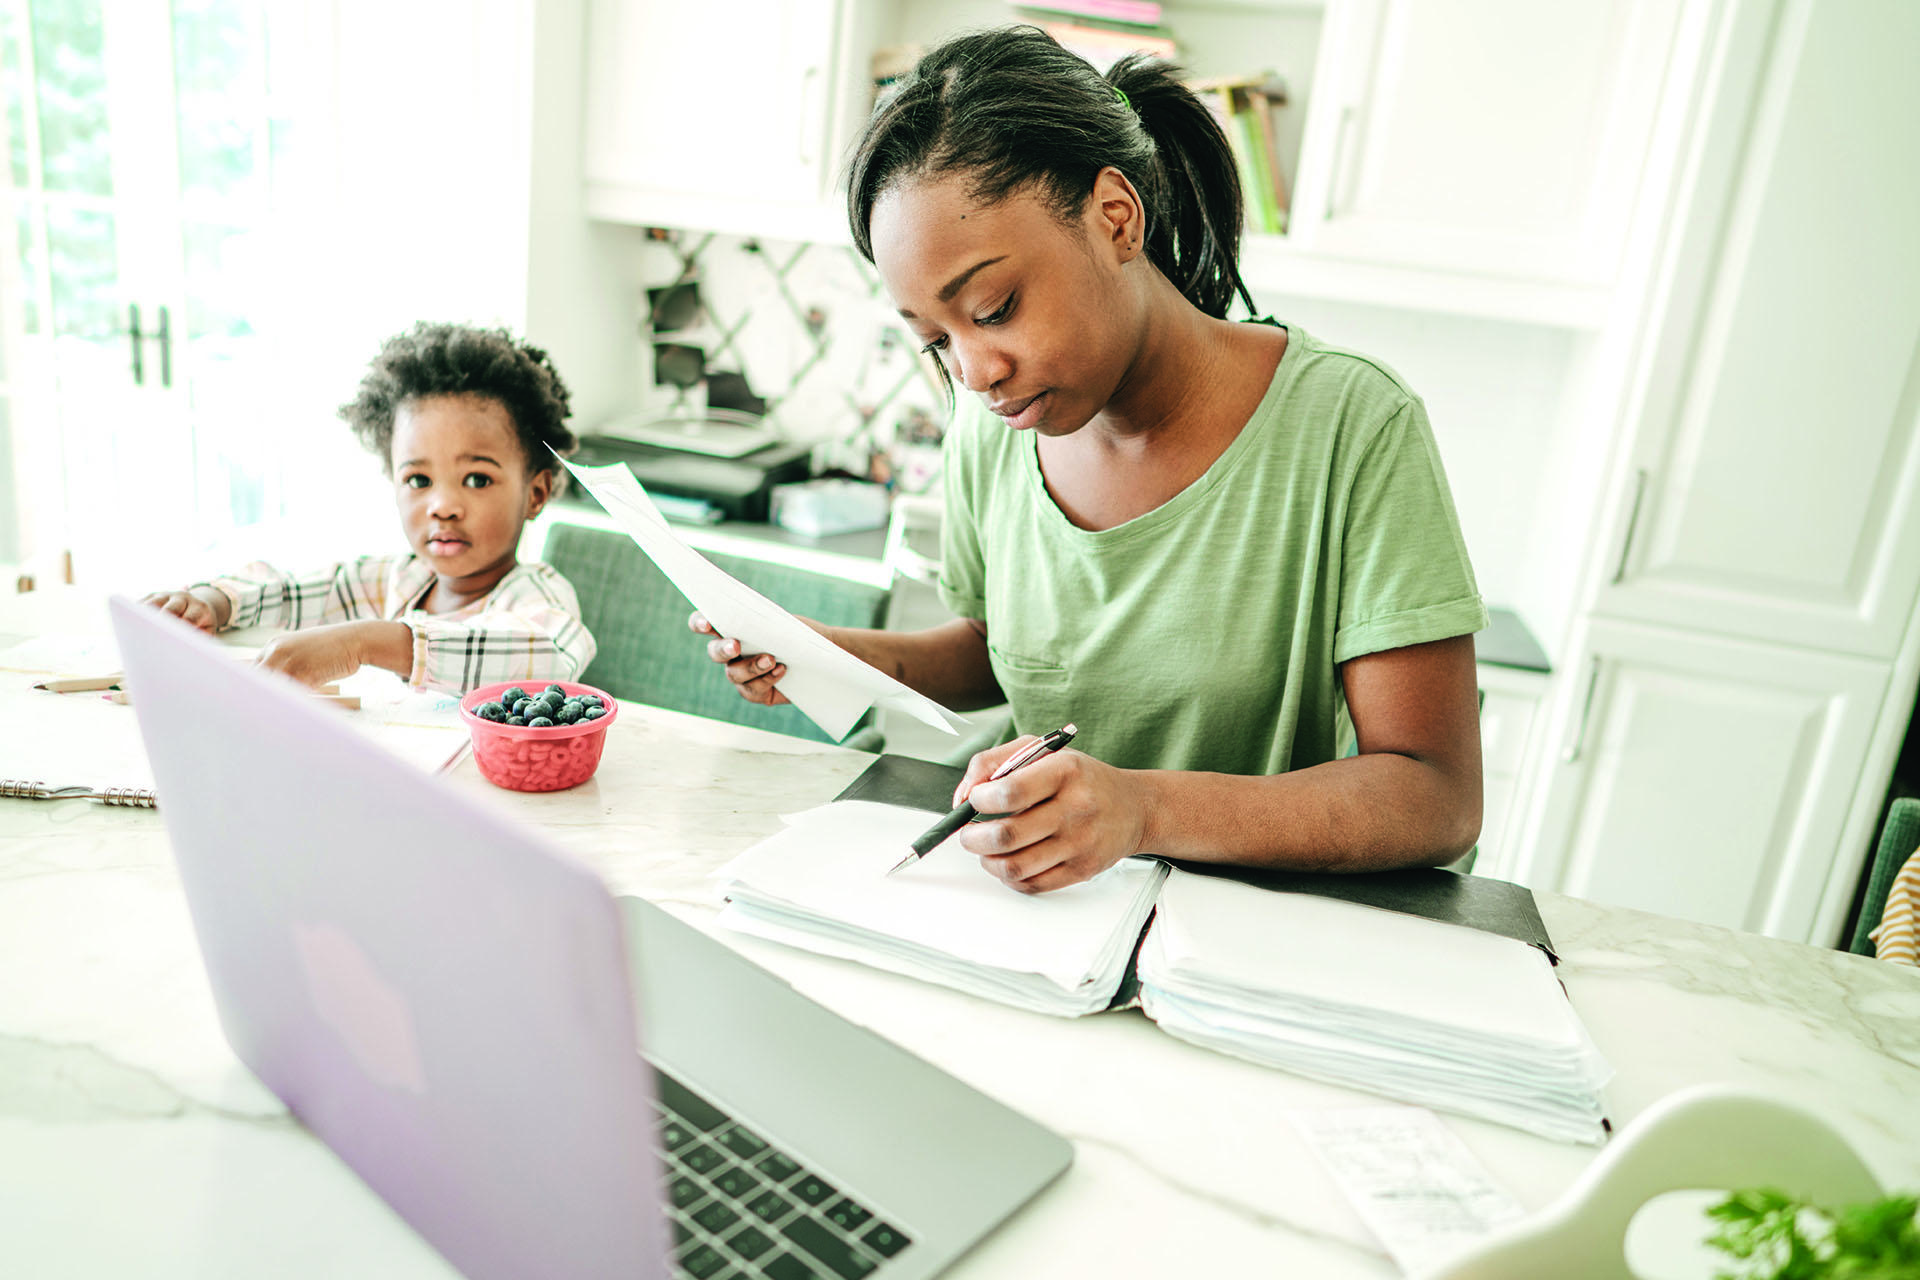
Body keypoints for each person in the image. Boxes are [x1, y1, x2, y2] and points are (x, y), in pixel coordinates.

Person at [695, 26, 1487, 893]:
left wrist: (1139, 809)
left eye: (993, 309)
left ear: (1116, 217)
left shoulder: (1351, 425)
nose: (974, 372)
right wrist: (831, 656)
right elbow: (1002, 652)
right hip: (1051, 918)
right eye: (935, 342)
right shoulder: (993, 430)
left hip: (1255, 937)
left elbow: (1435, 796)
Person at [143, 322, 596, 696]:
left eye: (477, 479)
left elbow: (549, 655)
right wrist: (213, 603)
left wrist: (363, 641)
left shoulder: (539, 596)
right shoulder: (396, 580)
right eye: (418, 480)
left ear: (535, 494)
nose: (442, 506)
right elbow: (293, 593)